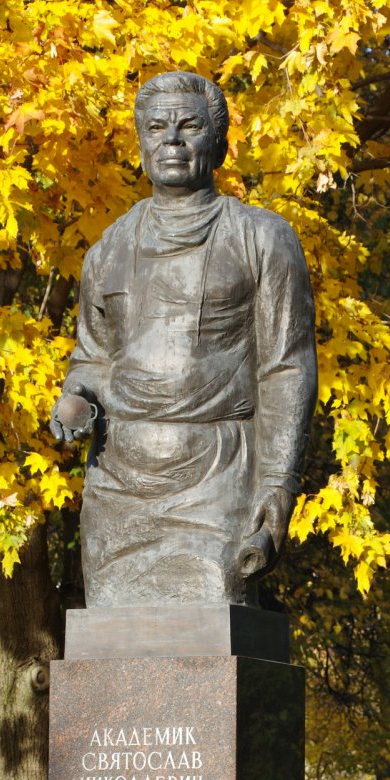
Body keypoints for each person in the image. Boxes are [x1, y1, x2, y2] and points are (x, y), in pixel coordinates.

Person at [50, 71, 318, 607]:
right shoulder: (107, 249)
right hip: (119, 485)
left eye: (189, 126)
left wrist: (277, 484)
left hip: (219, 480)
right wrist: (77, 397)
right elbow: (94, 357)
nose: (171, 140)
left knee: (214, 616)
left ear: (217, 144)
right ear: (142, 143)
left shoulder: (263, 238)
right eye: (156, 128)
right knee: (110, 632)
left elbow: (287, 369)